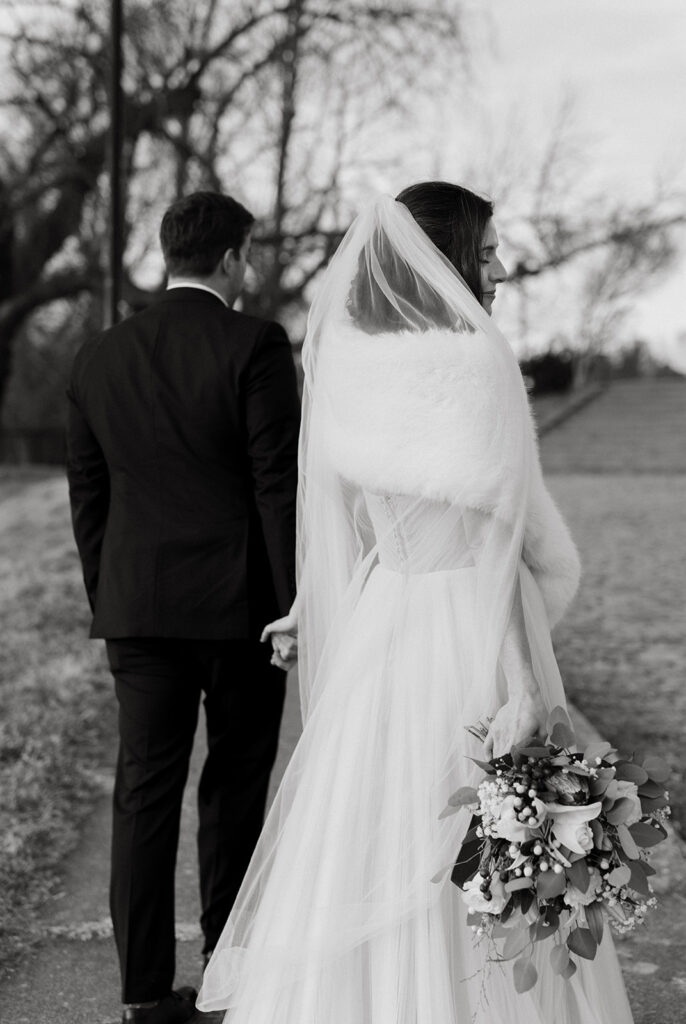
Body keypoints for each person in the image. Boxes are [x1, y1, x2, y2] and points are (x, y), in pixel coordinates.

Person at [197, 182, 635, 1023]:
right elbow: (491, 550)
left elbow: (363, 528)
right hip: (461, 633)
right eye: (487, 251)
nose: (501, 268)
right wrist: (524, 688)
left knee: (371, 832)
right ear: (447, 260)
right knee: (488, 832)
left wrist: (314, 607)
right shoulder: (472, 362)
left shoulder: (350, 362)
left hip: (384, 629)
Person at [66, 191, 301, 1024]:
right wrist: (293, 602)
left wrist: (113, 599)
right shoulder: (257, 345)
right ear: (233, 257)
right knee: (235, 789)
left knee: (143, 795)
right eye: (252, 255)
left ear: (170, 254)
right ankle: (229, 976)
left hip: (137, 609)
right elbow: (278, 484)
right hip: (241, 611)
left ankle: (143, 996)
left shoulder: (98, 356)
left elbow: (88, 498)